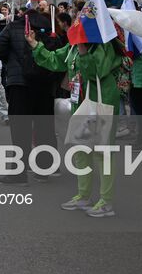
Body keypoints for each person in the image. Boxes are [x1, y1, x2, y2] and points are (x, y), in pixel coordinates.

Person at [30, 25, 122, 217]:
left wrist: (83, 51)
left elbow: (95, 72)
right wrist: (35, 45)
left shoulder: (104, 45)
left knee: (102, 152)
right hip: (81, 103)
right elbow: (55, 60)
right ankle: (83, 196)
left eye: (83, 22)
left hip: (102, 101)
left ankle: (106, 202)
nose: (78, 24)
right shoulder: (73, 45)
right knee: (81, 149)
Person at [0, 5, 58, 184]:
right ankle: (44, 170)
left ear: (23, 16)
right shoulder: (49, 28)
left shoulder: (14, 27)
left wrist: (11, 60)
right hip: (44, 85)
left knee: (20, 130)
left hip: (19, 84)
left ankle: (19, 173)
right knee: (44, 128)